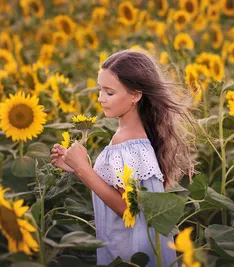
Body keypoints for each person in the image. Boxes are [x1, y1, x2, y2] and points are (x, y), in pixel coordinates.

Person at [51, 49, 198, 266]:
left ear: (136, 95)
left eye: (110, 93)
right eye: (100, 90)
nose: (101, 99)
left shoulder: (127, 142)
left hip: (128, 253)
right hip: (133, 247)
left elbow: (127, 208)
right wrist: (77, 168)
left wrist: (84, 169)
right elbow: (120, 188)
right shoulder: (135, 137)